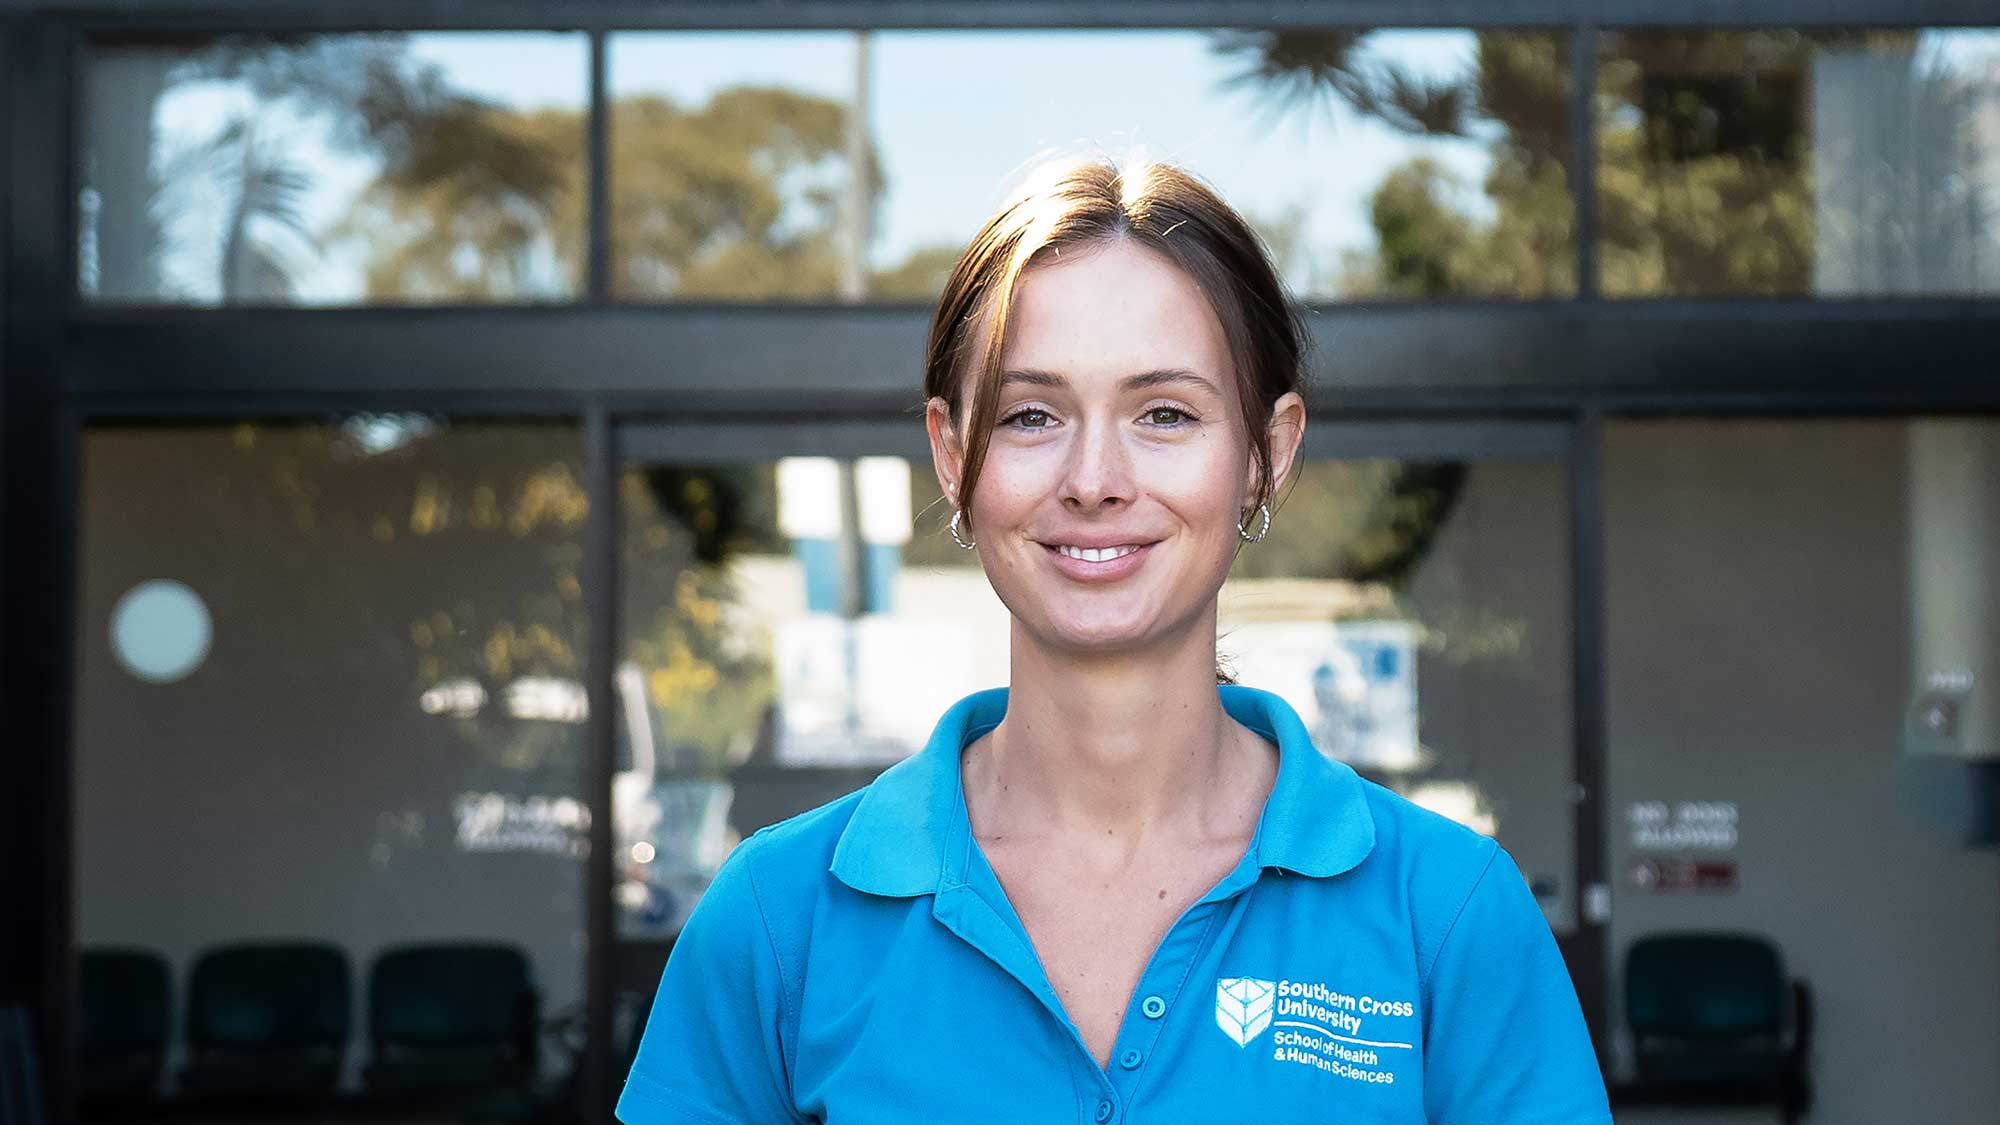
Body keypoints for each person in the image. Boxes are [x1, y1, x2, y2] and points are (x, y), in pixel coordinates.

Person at [616, 152, 1612, 1123]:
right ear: (951, 453)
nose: (1092, 479)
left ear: (1265, 456)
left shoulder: (1443, 914)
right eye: (1031, 415)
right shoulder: (775, 920)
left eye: (1165, 413)